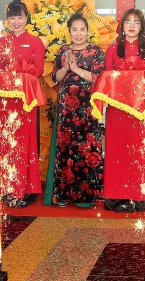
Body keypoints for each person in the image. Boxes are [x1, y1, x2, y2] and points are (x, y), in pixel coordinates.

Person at [0, 0, 46, 208]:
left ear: (26, 18)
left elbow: (38, 70)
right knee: (7, 143)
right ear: (7, 20)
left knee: (26, 143)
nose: (16, 22)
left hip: (26, 100)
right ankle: (8, 186)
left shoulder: (35, 42)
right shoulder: (2, 42)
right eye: (12, 18)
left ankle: (27, 189)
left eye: (20, 17)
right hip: (7, 101)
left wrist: (19, 74)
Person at [102, 9, 145, 213]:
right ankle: (114, 196)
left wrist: (127, 78)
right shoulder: (112, 49)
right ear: (122, 26)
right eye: (128, 22)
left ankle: (137, 196)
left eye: (136, 22)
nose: (132, 25)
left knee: (137, 151)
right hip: (117, 109)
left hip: (139, 109)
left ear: (142, 27)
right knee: (116, 151)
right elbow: (107, 76)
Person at [48, 14, 105, 208]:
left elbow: (99, 78)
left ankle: (87, 194)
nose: (78, 33)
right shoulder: (63, 50)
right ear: (69, 32)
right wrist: (66, 67)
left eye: (82, 29)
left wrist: (77, 69)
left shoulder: (95, 51)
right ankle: (64, 194)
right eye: (75, 30)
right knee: (67, 148)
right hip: (66, 107)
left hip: (87, 107)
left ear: (87, 31)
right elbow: (55, 77)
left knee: (87, 148)